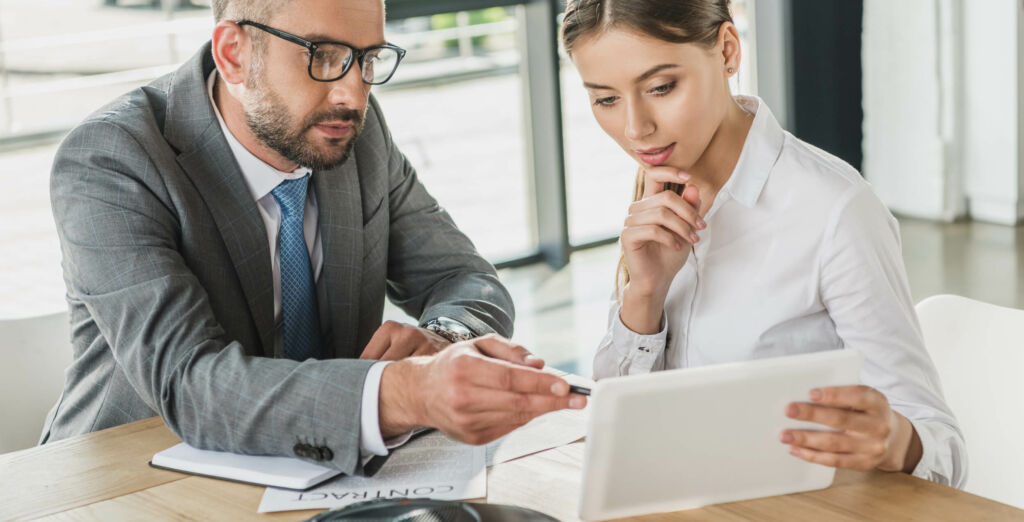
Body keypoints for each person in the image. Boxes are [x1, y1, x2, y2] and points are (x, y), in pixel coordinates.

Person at [42, 0, 586, 475]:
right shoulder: (113, 160)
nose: (354, 92)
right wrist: (403, 393)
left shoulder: (355, 135)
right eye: (322, 55)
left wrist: (443, 337)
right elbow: (189, 385)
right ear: (234, 53)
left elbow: (465, 278)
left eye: (368, 59)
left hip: (320, 473)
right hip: (129, 480)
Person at [562, 0, 965, 487]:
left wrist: (895, 440)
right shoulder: (653, 196)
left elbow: (945, 456)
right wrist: (644, 294)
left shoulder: (835, 210)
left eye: (661, 87)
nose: (635, 128)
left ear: (727, 50)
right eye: (606, 99)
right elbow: (617, 432)